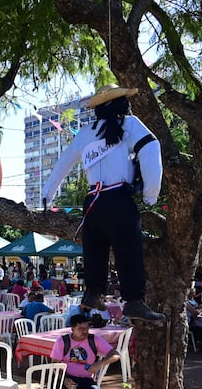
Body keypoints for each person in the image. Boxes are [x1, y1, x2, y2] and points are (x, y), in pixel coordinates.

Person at [42, 84, 165, 322]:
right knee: (128, 249)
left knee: (94, 249)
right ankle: (134, 301)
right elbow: (151, 147)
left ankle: (93, 292)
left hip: (92, 203)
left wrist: (48, 195)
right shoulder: (129, 124)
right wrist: (150, 193)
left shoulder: (86, 132)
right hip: (118, 197)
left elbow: (64, 163)